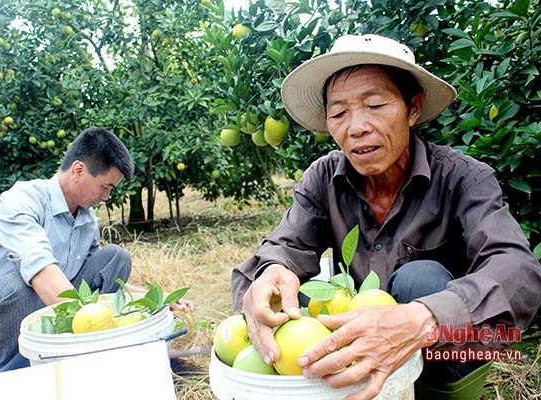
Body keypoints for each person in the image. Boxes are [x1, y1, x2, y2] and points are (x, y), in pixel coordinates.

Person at [231, 34, 541, 399]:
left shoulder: (463, 178)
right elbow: (283, 245)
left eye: (375, 104)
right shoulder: (323, 178)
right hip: (367, 342)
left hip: (454, 345)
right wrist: (273, 272)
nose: (356, 127)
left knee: (418, 280)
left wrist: (423, 318)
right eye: (339, 113)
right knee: (290, 303)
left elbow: (519, 270)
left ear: (412, 108)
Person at [0, 126, 192, 373]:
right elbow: (40, 270)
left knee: (115, 258)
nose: (107, 196)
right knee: (24, 284)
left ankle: (72, 356)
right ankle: (17, 375)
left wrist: (153, 300)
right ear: (78, 170)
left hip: (38, 311)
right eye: (105, 186)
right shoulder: (21, 200)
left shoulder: (86, 219)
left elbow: (91, 281)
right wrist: (99, 328)